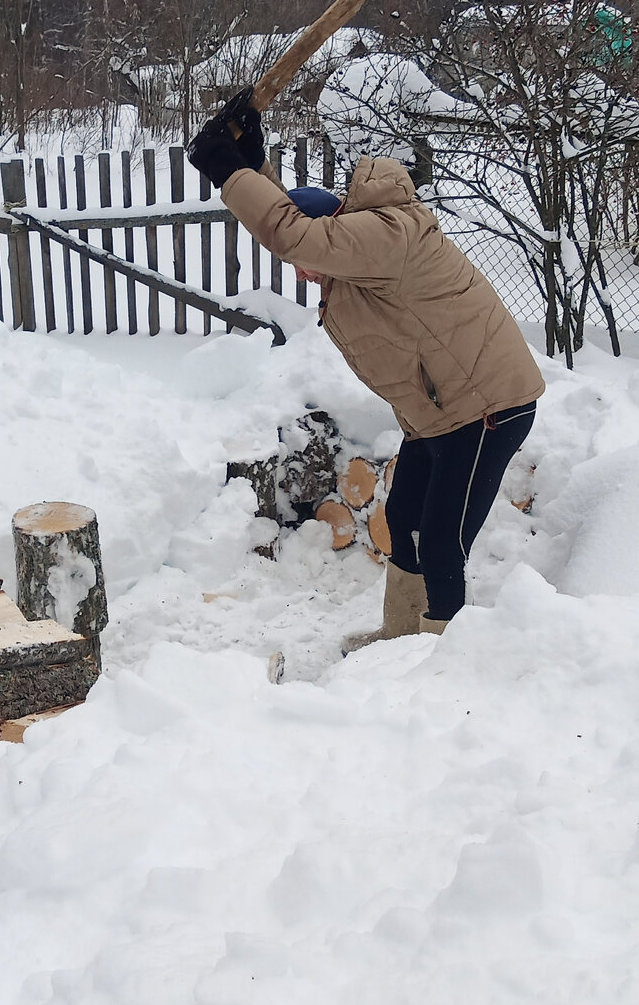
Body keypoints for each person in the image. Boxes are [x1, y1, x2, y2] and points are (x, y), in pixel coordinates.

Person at [187, 91, 545, 645]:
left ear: (337, 235)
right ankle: (401, 638)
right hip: (440, 413)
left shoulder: (389, 235)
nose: (307, 274)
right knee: (403, 517)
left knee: (442, 539)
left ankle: (444, 659)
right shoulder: (358, 249)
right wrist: (253, 161)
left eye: (313, 263)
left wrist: (227, 173)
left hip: (487, 406)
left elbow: (293, 231)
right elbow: (297, 217)